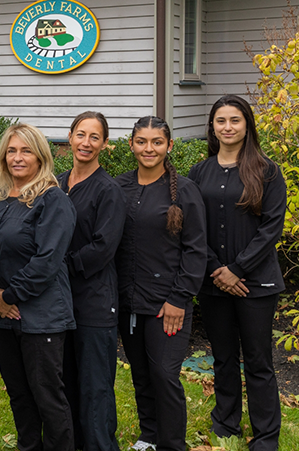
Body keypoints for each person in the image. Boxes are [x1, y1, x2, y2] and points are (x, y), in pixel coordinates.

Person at [188, 95, 287, 451]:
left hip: (256, 284)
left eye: (235, 120)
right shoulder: (200, 172)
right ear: (212, 127)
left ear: (247, 125)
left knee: (259, 362)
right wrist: (217, 269)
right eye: (220, 121)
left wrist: (238, 269)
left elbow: (271, 227)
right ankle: (226, 425)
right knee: (223, 357)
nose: (227, 127)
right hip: (214, 283)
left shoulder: (267, 170)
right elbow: (194, 227)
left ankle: (265, 437)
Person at [115, 116, 207, 451]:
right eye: (141, 141)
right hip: (128, 301)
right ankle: (149, 435)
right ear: (132, 145)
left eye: (156, 142)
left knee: (164, 375)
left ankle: (171, 444)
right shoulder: (120, 186)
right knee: (140, 373)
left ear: (169, 146)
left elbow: (196, 250)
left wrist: (179, 299)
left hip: (167, 303)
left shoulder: (184, 191)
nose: (148, 148)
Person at [0, 123, 77, 451]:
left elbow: (47, 262)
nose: (18, 157)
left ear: (40, 157)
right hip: (4, 317)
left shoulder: (52, 200)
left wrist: (9, 295)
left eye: (26, 151)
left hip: (41, 317)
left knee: (48, 398)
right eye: (11, 151)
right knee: (20, 396)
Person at [56, 112, 125, 451]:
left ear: (104, 144)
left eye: (94, 137)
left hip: (94, 302)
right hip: (58, 303)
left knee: (95, 387)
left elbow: (103, 248)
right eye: (80, 135)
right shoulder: (56, 182)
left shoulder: (108, 190)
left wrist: (55, 267)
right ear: (69, 138)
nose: (86, 143)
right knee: (64, 382)